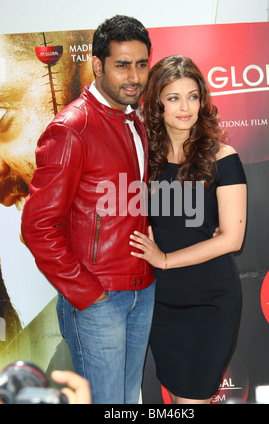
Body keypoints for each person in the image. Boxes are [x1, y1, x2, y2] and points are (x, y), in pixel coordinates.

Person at [21, 15, 155, 404]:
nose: (134, 76)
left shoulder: (133, 119)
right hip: (100, 299)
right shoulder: (71, 128)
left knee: (128, 400)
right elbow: (38, 226)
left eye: (142, 64)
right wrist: (88, 294)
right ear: (97, 65)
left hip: (140, 290)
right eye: (122, 65)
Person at [130, 55, 247, 404]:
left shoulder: (223, 157)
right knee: (179, 399)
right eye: (174, 97)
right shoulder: (142, 158)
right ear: (157, 104)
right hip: (160, 303)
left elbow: (232, 237)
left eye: (193, 96)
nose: (186, 107)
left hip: (210, 301)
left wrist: (164, 259)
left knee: (192, 400)